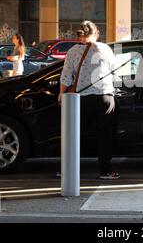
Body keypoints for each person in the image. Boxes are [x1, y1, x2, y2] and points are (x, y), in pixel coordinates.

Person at [59, 21, 120, 180]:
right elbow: (115, 70)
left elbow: (66, 76)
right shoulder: (105, 49)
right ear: (96, 33)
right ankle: (105, 171)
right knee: (105, 135)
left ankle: (68, 169)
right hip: (103, 97)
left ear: (79, 34)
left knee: (75, 134)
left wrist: (61, 94)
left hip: (81, 99)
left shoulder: (72, 51)